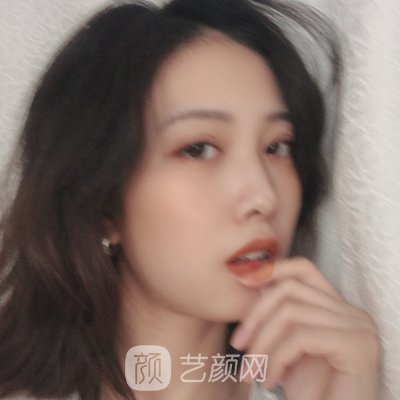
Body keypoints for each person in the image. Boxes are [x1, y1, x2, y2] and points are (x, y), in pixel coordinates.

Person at [0, 0, 381, 399]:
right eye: (199, 149)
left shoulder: (327, 383)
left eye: (277, 147)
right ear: (103, 208)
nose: (264, 196)